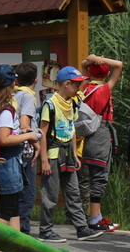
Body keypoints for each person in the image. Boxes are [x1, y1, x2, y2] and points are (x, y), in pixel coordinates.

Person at [37, 67, 97, 242]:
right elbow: (43, 133)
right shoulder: (50, 105)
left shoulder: (71, 103)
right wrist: (44, 161)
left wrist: (75, 155)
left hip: (68, 154)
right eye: (77, 85)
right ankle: (45, 230)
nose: (79, 88)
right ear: (66, 84)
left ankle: (81, 228)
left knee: (73, 192)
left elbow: (71, 131)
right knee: (50, 194)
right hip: (53, 154)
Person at [0, 65, 40, 230]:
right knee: (7, 209)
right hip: (7, 161)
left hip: (7, 160)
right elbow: (4, 138)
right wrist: (30, 136)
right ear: (13, 84)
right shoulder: (5, 109)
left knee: (15, 209)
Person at [78, 55, 124, 232]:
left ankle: (90, 215)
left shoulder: (85, 88)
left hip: (86, 135)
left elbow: (83, 63)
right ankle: (95, 217)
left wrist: (91, 59)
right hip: (101, 133)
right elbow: (119, 65)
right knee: (100, 175)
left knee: (87, 177)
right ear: (105, 75)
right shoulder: (104, 89)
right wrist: (99, 59)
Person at [14, 62, 42, 233]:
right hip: (25, 150)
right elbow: (25, 124)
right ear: (36, 80)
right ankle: (24, 231)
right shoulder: (28, 97)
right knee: (28, 194)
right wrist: (36, 142)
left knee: (16, 193)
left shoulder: (12, 94)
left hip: (13, 149)